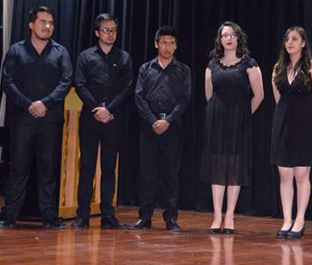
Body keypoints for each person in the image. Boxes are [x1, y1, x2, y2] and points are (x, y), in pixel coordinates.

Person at [0, 6, 72, 229]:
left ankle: (49, 217)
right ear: (31, 24)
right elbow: (7, 82)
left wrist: (44, 103)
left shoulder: (61, 52)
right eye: (43, 22)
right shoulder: (16, 51)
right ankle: (9, 217)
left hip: (50, 118)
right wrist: (29, 104)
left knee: (48, 169)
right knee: (18, 168)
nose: (47, 26)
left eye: (50, 22)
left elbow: (66, 81)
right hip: (23, 118)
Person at [201, 21, 264, 234]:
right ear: (219, 40)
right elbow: (209, 94)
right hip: (216, 119)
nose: (228, 38)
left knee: (235, 165)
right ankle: (217, 215)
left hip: (239, 120)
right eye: (224, 35)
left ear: (238, 38)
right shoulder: (212, 64)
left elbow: (259, 95)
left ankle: (229, 215)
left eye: (232, 35)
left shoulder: (249, 63)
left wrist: (244, 114)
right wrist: (218, 113)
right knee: (217, 164)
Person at [71, 13, 132, 229]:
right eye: (105, 30)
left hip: (113, 119)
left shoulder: (124, 57)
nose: (110, 34)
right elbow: (79, 84)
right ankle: (82, 215)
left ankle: (108, 215)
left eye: (113, 30)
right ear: (97, 32)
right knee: (86, 166)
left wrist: (109, 109)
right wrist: (97, 108)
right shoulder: (85, 56)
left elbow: (127, 87)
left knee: (108, 168)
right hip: (90, 117)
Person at [133, 25, 192, 231]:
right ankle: (145, 216)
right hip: (149, 126)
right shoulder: (145, 69)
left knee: (171, 174)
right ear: (156, 44)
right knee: (147, 173)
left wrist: (168, 120)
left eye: (171, 43)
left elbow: (185, 99)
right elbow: (139, 97)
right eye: (164, 43)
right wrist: (152, 120)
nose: (167, 47)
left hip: (173, 126)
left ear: (176, 46)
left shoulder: (183, 70)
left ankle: (171, 217)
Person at [271, 26, 312, 239]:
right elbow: (278, 98)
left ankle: (300, 219)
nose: (290, 43)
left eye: (294, 39)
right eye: (287, 39)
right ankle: (286, 219)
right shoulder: (278, 67)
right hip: (282, 123)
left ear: (303, 43)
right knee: (285, 174)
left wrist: (311, 123)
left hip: (306, 124)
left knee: (302, 175)